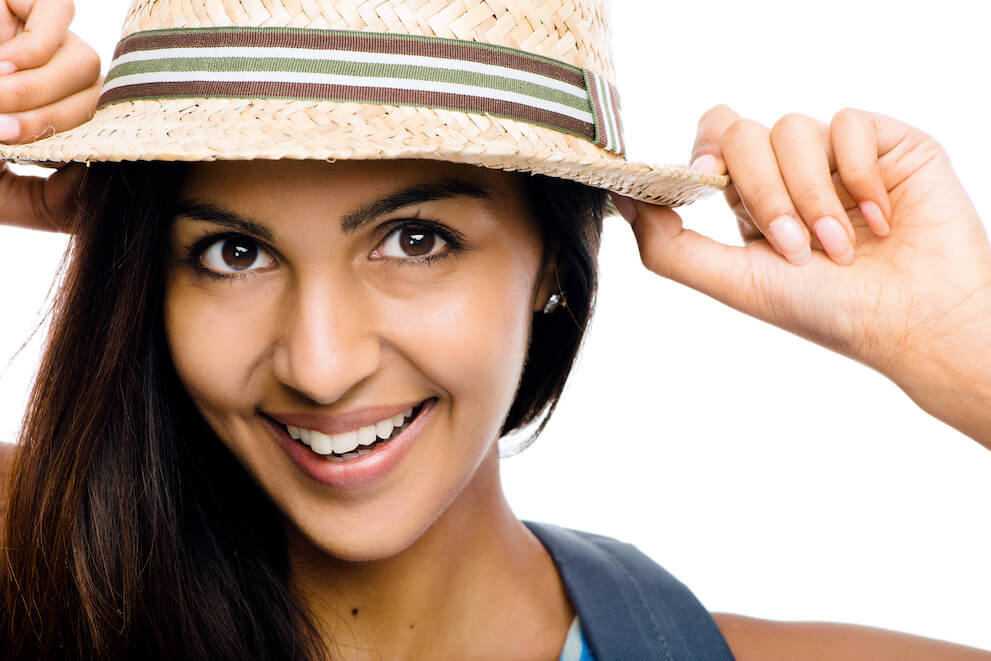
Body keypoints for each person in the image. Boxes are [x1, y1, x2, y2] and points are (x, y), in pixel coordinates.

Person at [1, 0, 989, 659]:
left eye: (416, 237)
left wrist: (960, 346)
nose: (321, 362)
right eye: (231, 253)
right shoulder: (38, 572)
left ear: (559, 258)